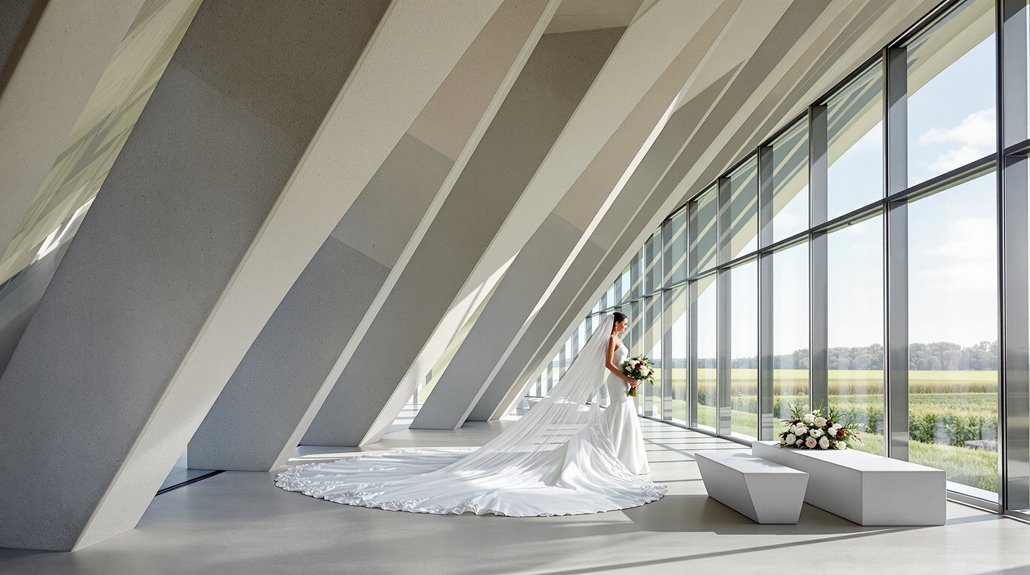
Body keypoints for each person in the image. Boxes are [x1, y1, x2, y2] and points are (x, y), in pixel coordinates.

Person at [276, 313, 666, 516]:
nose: (625, 326)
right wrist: (629, 374)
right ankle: (618, 458)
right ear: (614, 325)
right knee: (618, 415)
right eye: (623, 322)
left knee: (620, 417)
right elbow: (607, 367)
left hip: (623, 388)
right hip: (619, 385)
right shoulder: (612, 340)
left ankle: (621, 457)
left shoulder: (617, 338)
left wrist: (633, 375)